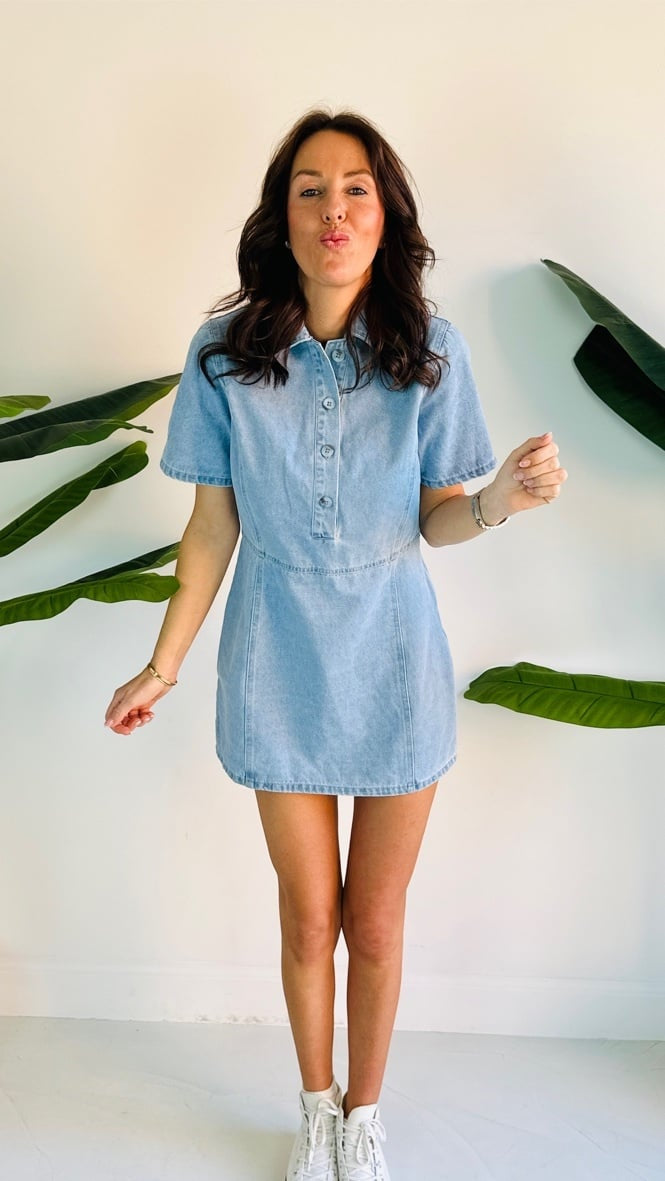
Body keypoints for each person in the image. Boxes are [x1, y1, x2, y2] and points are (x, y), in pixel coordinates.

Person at [104, 107, 567, 1181]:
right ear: (282, 216)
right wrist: (162, 664)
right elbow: (211, 524)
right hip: (276, 654)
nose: (333, 209)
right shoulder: (224, 354)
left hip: (395, 657)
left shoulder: (430, 349)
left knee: (376, 916)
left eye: (355, 187)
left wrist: (496, 499)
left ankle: (365, 1116)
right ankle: (314, 1109)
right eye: (308, 188)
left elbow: (436, 518)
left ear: (384, 211)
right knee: (309, 915)